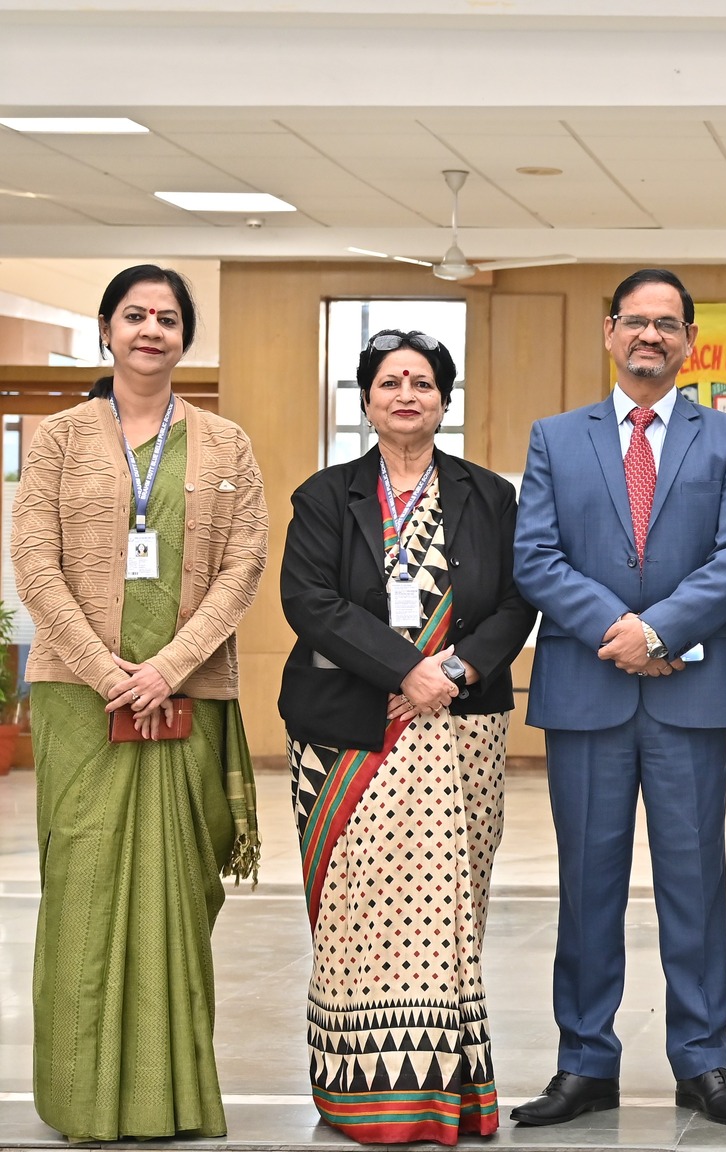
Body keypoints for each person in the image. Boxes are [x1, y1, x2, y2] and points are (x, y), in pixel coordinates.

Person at [14, 264, 268, 1141]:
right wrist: (107, 671)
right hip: (80, 702)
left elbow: (243, 566)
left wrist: (166, 668)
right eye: (135, 315)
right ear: (106, 329)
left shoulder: (226, 444)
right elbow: (34, 562)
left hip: (189, 697)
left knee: (180, 893)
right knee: (82, 885)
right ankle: (80, 1098)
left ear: (184, 337)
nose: (151, 330)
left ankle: (174, 1097)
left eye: (167, 318)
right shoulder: (57, 439)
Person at [510, 269, 726, 1128]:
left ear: (689, 339)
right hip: (586, 693)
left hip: (690, 693)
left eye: (667, 323)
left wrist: (658, 633)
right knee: (587, 886)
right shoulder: (555, 438)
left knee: (695, 883)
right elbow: (536, 556)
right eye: (634, 321)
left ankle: (703, 1060)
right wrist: (618, 629)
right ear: (609, 332)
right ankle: (585, 1062)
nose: (649, 335)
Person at [278, 329, 537, 1144]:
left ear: (443, 402)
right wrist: (406, 670)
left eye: (422, 383)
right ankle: (359, 1095)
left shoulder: (488, 496)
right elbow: (309, 599)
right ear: (366, 400)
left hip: (462, 727)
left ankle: (444, 1095)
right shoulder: (326, 496)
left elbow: (519, 600)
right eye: (390, 382)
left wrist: (451, 671)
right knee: (354, 912)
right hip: (347, 735)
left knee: (450, 910)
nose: (406, 395)